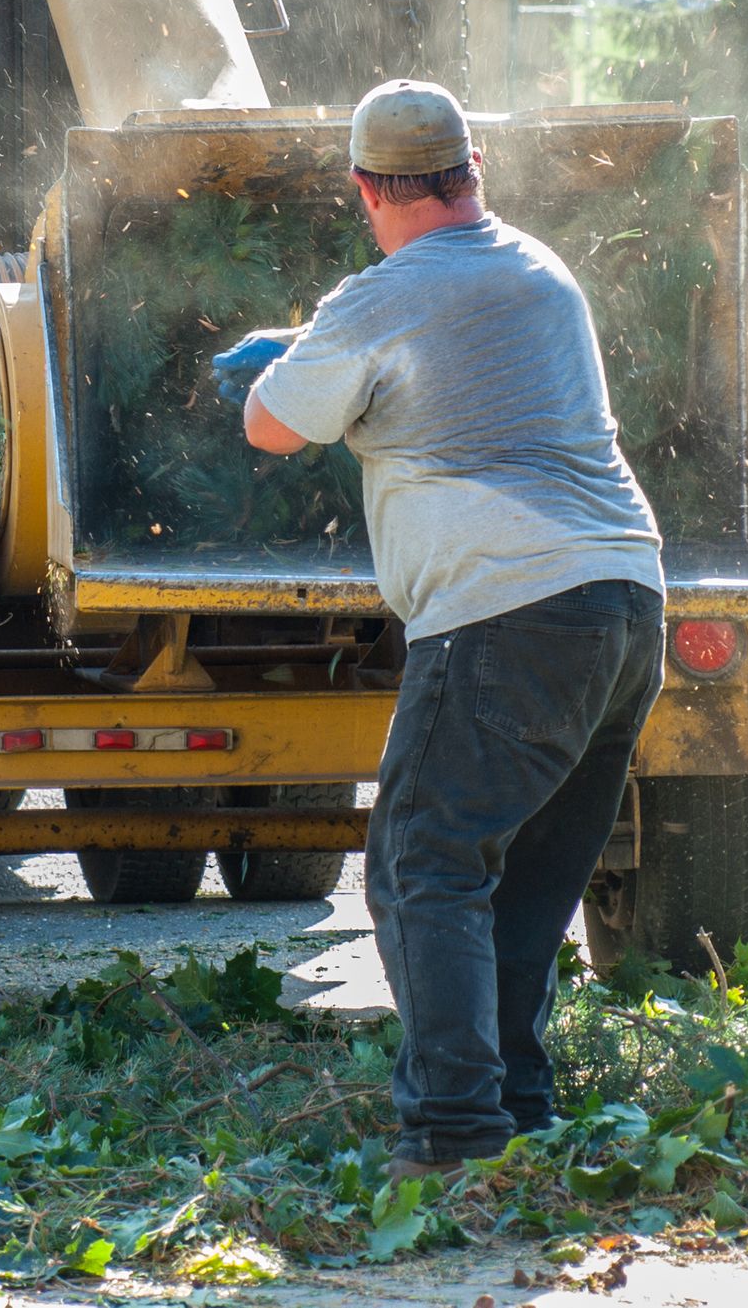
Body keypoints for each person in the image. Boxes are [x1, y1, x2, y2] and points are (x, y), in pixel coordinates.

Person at [211, 78, 665, 1181]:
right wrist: (332, 342)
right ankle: (519, 1108)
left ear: (365, 189)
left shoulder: (377, 298)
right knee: (517, 878)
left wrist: (292, 354)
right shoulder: (541, 274)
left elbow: (271, 426)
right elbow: (457, 363)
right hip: (625, 603)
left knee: (421, 861)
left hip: (502, 610)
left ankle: (454, 1133)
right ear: (474, 174)